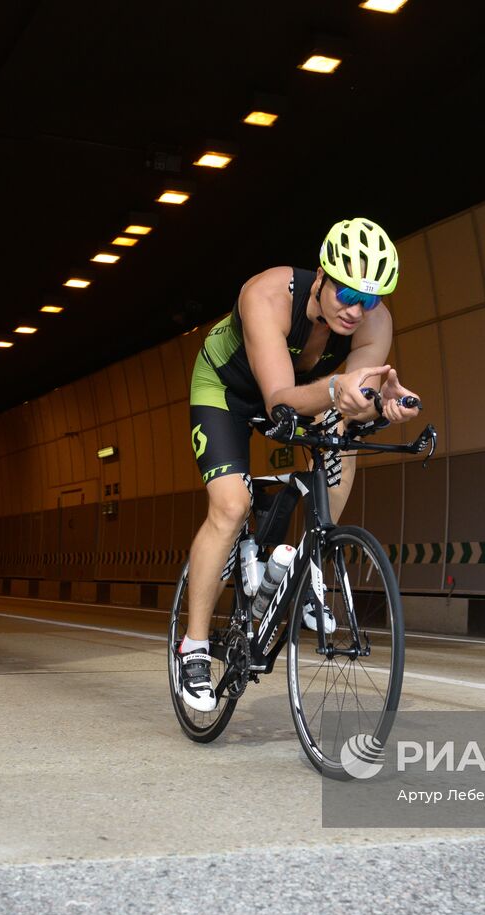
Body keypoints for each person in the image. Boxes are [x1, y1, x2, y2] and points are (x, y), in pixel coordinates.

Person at [177, 217, 420, 712]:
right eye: (346, 293)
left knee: (343, 442)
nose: (356, 310)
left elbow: (353, 400)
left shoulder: (374, 323)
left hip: (300, 393)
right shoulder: (266, 295)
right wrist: (336, 391)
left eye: (369, 299)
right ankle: (194, 648)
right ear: (322, 276)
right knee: (231, 505)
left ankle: (307, 565)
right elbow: (280, 400)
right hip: (227, 391)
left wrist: (382, 405)